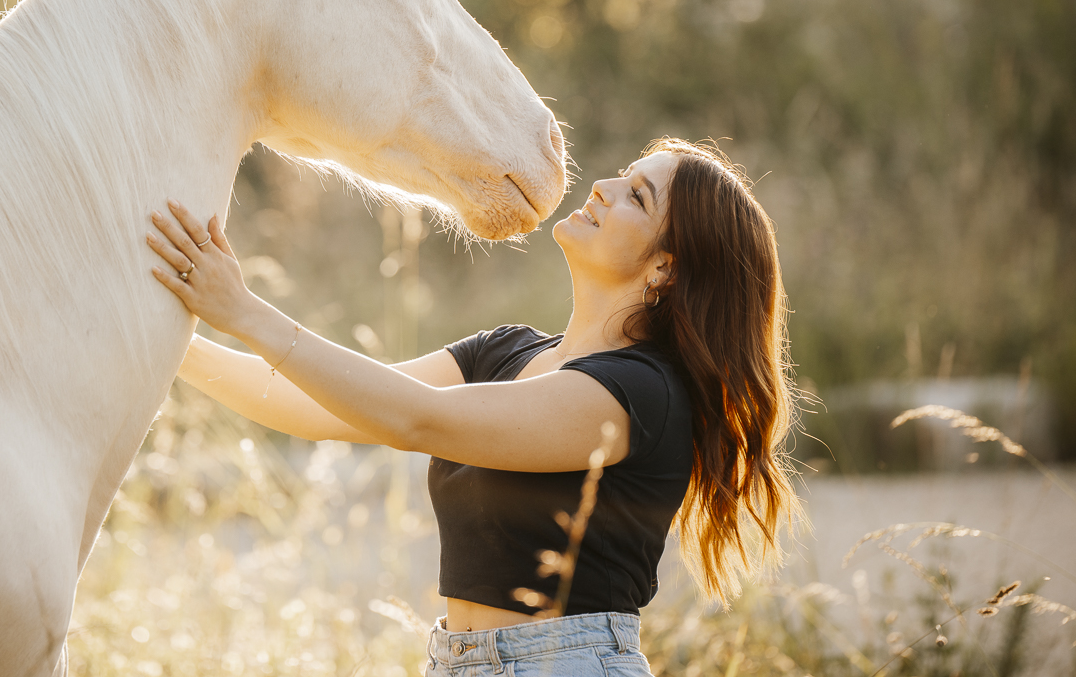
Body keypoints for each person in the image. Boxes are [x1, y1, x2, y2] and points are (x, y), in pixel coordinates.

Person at [146, 137, 799, 677]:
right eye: (623, 174)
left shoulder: (638, 393)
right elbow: (317, 406)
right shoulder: (503, 352)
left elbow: (416, 418)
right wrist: (163, 348)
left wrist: (243, 312)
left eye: (637, 195)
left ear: (665, 270)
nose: (602, 186)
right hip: (453, 662)